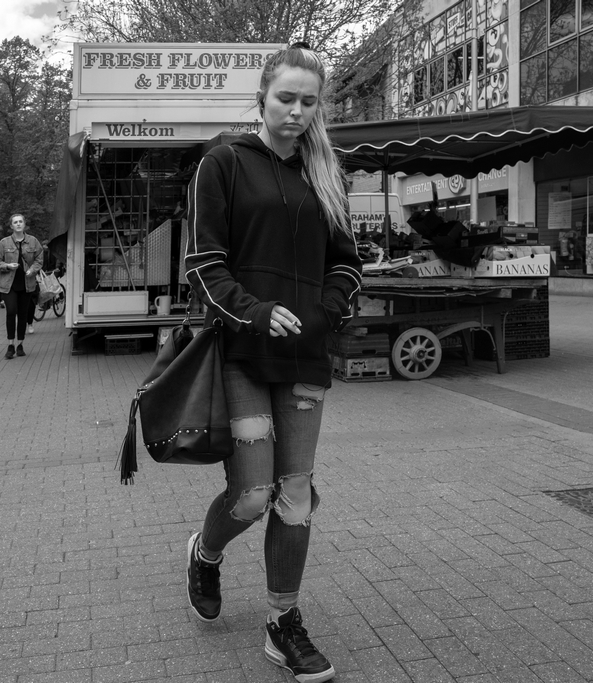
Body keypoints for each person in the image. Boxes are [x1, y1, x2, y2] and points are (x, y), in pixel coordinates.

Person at [183, 43, 362, 683]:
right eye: (285, 98)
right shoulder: (224, 163)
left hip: (307, 357)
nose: (295, 111)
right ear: (261, 97)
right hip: (243, 352)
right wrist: (255, 311)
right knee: (254, 493)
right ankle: (205, 553)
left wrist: (328, 309)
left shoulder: (326, 173)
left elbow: (347, 261)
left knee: (295, 495)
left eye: (308, 102)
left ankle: (282, 623)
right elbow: (204, 265)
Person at [0, 213, 43, 359]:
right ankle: (10, 344)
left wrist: (32, 270)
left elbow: (39, 259)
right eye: (15, 222)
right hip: (9, 285)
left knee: (23, 314)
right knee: (11, 311)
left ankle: (20, 344)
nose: (18, 224)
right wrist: (7, 265)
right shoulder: (4, 243)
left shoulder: (33, 241)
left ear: (24, 224)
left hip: (27, 284)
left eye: (21, 221)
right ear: (11, 226)